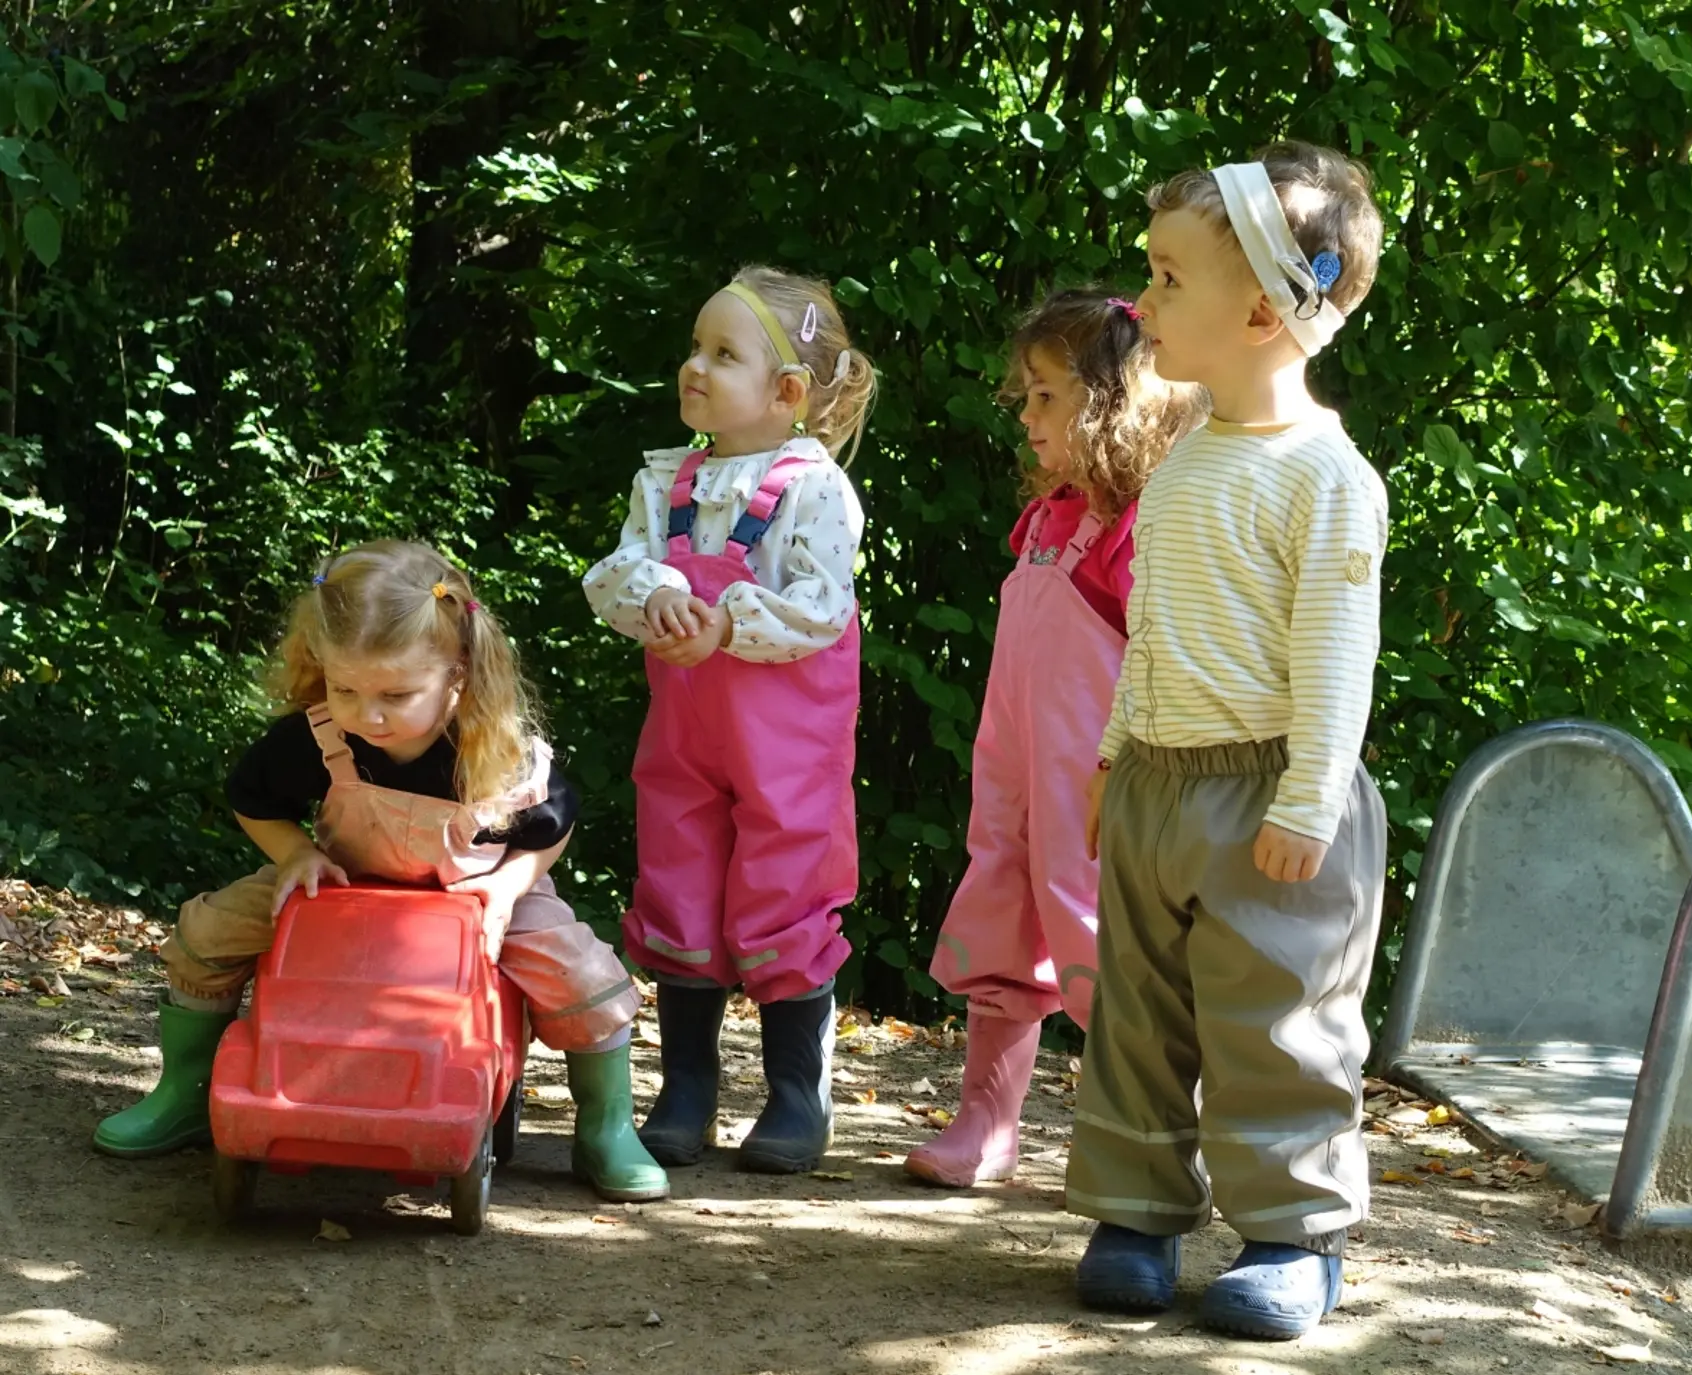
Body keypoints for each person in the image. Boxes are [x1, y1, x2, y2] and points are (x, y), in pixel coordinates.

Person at [1067, 141, 1391, 1340]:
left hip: (1272, 790)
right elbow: (1153, 625)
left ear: (1261, 311)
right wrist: (1115, 756)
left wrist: (1310, 798)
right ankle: (1135, 1212)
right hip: (1161, 782)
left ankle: (1293, 1234)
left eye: (1166, 279)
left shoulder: (1324, 477)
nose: (1142, 301)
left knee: (1278, 1019)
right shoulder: (1188, 460)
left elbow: (1338, 651)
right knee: (1138, 1010)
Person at [95, 541, 666, 1202]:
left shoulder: (492, 747)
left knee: (582, 974)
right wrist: (296, 854)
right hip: (342, 886)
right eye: (346, 689)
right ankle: (186, 1093)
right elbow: (252, 799)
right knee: (207, 932)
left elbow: (552, 825)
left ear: (457, 674)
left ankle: (604, 1127)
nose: (368, 715)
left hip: (478, 894)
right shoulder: (317, 737)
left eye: (397, 694)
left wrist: (509, 888)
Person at [583, 267, 876, 1175]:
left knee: (785, 888)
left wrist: (730, 623)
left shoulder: (814, 488)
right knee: (678, 883)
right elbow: (615, 573)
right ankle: (686, 1090)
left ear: (786, 392)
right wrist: (657, 595)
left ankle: (796, 1094)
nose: (695, 367)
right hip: (685, 740)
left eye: (722, 353)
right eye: (694, 348)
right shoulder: (665, 481)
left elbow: (823, 606)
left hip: (786, 749)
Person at [907, 289, 1202, 1187]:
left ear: (1115, 404)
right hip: (1015, 783)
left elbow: (1163, 660)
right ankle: (987, 1123)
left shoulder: (1141, 529)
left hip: (1097, 792)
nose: (1026, 415)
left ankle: (1146, 1134)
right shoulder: (1048, 520)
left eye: (1046, 396)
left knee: (1103, 937)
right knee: (1001, 911)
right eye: (1026, 396)